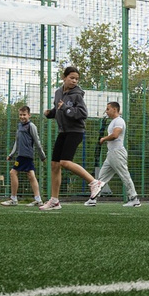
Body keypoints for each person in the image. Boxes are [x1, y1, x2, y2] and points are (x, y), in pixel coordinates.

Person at [43, 66, 97, 209]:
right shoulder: (58, 93)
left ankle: (93, 182)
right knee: (54, 164)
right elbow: (58, 109)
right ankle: (54, 201)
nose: (74, 81)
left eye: (76, 79)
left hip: (75, 131)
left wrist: (66, 109)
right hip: (63, 131)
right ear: (64, 77)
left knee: (65, 162)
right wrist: (50, 113)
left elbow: (82, 113)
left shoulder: (77, 95)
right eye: (71, 78)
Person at [85, 100, 141, 206]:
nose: (106, 111)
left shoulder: (119, 121)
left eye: (108, 109)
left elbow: (115, 135)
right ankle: (93, 199)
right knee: (101, 178)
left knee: (124, 175)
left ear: (115, 109)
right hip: (111, 154)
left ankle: (134, 199)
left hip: (117, 153)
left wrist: (103, 139)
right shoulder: (113, 122)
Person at [5, 104, 44, 207]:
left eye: (24, 115)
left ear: (29, 115)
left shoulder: (31, 126)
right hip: (21, 155)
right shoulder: (20, 126)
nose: (22, 117)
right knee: (31, 176)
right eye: (20, 115)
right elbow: (17, 142)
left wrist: (42, 156)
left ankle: (13, 199)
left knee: (13, 172)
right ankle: (38, 200)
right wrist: (11, 154)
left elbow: (37, 141)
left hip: (26, 155)